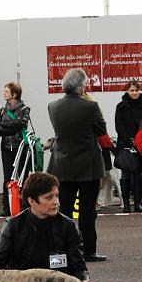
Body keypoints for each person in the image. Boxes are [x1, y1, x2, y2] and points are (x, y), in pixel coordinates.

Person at [47, 68, 109, 262]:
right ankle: (89, 250)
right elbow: (102, 132)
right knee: (87, 211)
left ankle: (62, 251)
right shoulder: (91, 106)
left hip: (62, 165)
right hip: (88, 166)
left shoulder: (52, 106)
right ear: (81, 86)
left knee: (62, 210)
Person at [0, 82, 31, 216]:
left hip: (21, 147)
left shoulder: (25, 108)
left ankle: (25, 206)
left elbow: (21, 123)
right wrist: (11, 127)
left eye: (6, 91)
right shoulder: (2, 110)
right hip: (6, 148)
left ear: (14, 94)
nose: (4, 93)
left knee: (24, 178)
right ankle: (7, 208)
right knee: (7, 178)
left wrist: (5, 126)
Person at [115, 80, 142, 212]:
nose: (134, 93)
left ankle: (137, 204)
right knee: (125, 174)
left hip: (141, 143)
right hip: (125, 144)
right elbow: (119, 126)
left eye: (136, 90)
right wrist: (129, 140)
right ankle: (125, 204)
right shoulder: (121, 106)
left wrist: (140, 140)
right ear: (127, 91)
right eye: (132, 90)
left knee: (138, 175)